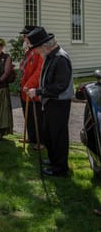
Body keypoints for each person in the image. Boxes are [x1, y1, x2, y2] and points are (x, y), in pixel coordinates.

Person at [26, 27, 74, 177]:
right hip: (51, 102)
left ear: (45, 45)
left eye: (37, 49)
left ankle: (60, 168)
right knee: (50, 133)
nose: (37, 52)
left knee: (58, 136)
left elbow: (60, 86)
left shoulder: (60, 58)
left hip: (58, 103)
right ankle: (54, 161)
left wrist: (38, 91)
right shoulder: (51, 55)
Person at [19, 26, 44, 150]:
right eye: (24, 36)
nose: (24, 38)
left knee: (38, 117)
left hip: (35, 90)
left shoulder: (40, 51)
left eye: (26, 36)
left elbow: (39, 71)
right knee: (27, 115)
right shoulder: (28, 50)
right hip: (25, 89)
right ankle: (32, 137)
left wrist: (29, 84)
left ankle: (41, 141)